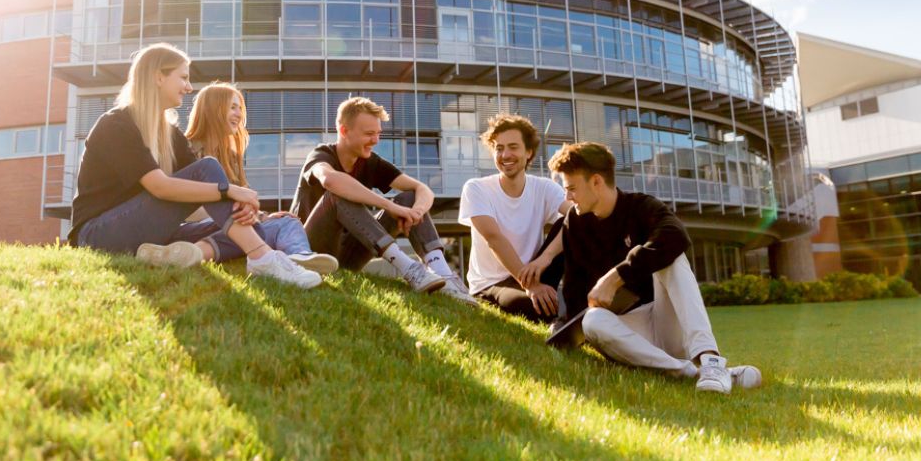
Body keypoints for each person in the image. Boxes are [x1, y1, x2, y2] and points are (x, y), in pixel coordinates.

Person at [68, 43, 321, 289]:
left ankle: (184, 254)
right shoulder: (116, 125)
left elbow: (203, 189)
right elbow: (162, 187)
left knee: (255, 227)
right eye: (183, 78)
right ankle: (263, 258)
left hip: (150, 236)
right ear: (158, 77)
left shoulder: (169, 134)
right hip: (97, 236)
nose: (188, 87)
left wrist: (244, 210)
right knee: (209, 169)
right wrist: (229, 191)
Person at [546, 142, 761, 394]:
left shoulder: (641, 206)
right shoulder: (575, 222)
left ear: (596, 181)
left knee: (672, 257)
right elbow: (574, 286)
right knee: (591, 321)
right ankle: (692, 373)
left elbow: (676, 236)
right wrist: (561, 327)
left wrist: (616, 276)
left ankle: (710, 360)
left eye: (571, 188)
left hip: (667, 321)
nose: (567, 197)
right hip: (629, 336)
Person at [290, 96, 475, 303]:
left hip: (347, 258)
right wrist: (388, 206)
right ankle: (409, 268)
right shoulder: (321, 154)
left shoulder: (370, 162)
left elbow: (421, 189)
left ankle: (445, 276)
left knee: (408, 198)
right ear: (344, 131)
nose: (376, 140)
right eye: (369, 134)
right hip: (310, 251)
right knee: (337, 194)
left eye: (378, 133)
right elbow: (331, 181)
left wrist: (415, 211)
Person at [180, 82, 338, 276]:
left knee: (287, 222)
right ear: (213, 108)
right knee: (250, 227)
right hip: (192, 227)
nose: (239, 114)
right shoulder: (185, 150)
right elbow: (182, 206)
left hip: (228, 225)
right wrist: (241, 217)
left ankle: (300, 256)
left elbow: (241, 205)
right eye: (232, 107)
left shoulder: (231, 158)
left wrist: (262, 215)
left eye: (240, 108)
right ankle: (199, 251)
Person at [458, 114, 571, 321]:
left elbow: (579, 214)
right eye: (499, 148)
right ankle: (554, 314)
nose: (505, 154)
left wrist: (544, 260)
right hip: (491, 284)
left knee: (574, 223)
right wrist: (532, 286)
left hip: (534, 270)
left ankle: (584, 304)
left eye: (513, 147)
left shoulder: (544, 187)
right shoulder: (476, 188)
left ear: (529, 152)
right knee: (528, 306)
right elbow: (494, 238)